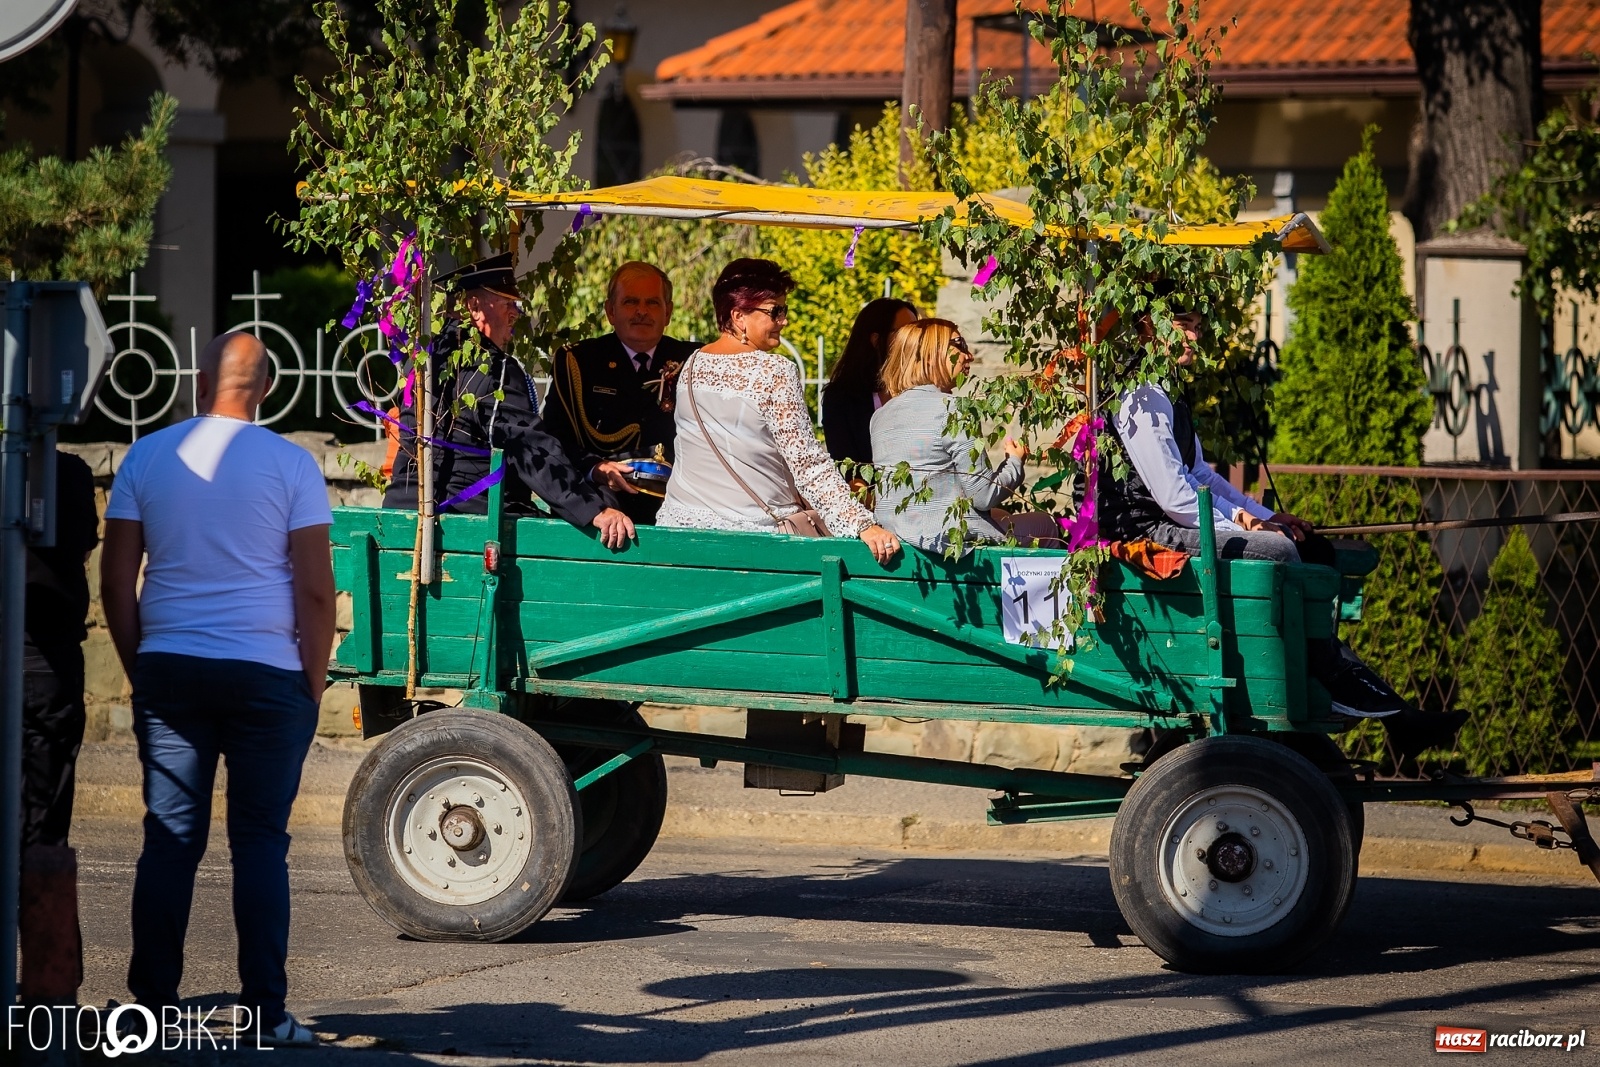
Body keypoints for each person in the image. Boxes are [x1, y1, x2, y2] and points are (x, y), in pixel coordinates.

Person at [101, 332, 335, 1046]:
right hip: (269, 674)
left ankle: (150, 1009)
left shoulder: (146, 456)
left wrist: (143, 669)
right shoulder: (294, 464)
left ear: (201, 380)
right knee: (260, 842)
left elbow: (116, 582)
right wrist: (312, 684)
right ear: (266, 389)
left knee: (170, 840)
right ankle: (265, 1013)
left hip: (171, 667)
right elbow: (315, 591)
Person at [1099, 304, 1466, 754]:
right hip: (1148, 533)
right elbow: (1176, 499)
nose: (1194, 337)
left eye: (1197, 326)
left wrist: (1264, 517)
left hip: (1173, 521)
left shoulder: (1168, 391)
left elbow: (1202, 477)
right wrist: (1249, 526)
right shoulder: (1141, 395)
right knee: (1279, 553)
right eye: (1183, 326)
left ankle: (1384, 708)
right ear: (1148, 327)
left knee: (1311, 548)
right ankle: (1320, 679)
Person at [382, 253, 635, 550]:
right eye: (507, 304)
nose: (515, 313)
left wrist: (589, 469)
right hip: (471, 525)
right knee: (590, 522)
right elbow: (531, 451)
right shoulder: (494, 369)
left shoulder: (424, 360)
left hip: (402, 514)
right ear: (474, 307)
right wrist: (595, 510)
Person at [656, 258, 900, 565]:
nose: (784, 320)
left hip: (679, 533)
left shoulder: (692, 364)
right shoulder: (774, 371)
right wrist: (862, 524)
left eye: (784, 310)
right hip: (753, 544)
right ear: (738, 315)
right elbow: (807, 463)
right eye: (775, 311)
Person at [17, 450, 98, 1011]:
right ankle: (51, 992)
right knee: (46, 832)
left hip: (37, 666)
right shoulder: (67, 473)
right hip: (49, 669)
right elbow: (82, 549)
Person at [871, 318, 1062, 552]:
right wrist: (1014, 462)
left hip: (901, 541)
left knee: (1000, 515)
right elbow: (983, 496)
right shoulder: (955, 409)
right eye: (959, 344)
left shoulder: (880, 416)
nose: (969, 356)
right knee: (1045, 524)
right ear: (930, 355)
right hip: (947, 546)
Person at [544, 261, 696, 525]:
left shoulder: (694, 361)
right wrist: (596, 468)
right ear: (610, 311)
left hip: (678, 507)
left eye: (652, 303)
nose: (641, 311)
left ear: (668, 312)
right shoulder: (579, 362)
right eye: (630, 302)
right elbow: (554, 438)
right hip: (602, 506)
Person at [821, 297, 918, 468]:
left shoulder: (923, 389)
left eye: (918, 332)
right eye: (907, 332)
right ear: (876, 339)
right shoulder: (842, 398)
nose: (916, 340)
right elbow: (846, 463)